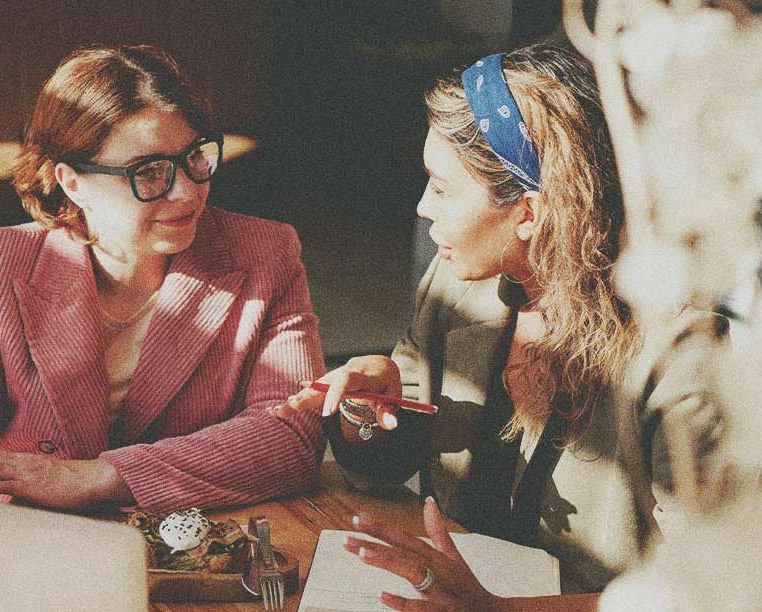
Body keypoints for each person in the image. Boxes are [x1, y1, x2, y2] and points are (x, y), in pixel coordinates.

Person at [272, 43, 725, 609]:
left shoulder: (683, 356)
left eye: (441, 187)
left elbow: (715, 592)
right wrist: (366, 412)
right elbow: (390, 456)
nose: (420, 207)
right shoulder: (459, 285)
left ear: (530, 212)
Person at [0, 45, 326, 513]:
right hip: (36, 536)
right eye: (149, 172)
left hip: (201, 541)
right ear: (72, 181)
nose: (186, 191)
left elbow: (292, 436)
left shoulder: (265, 254)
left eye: (195, 158)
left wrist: (101, 477)